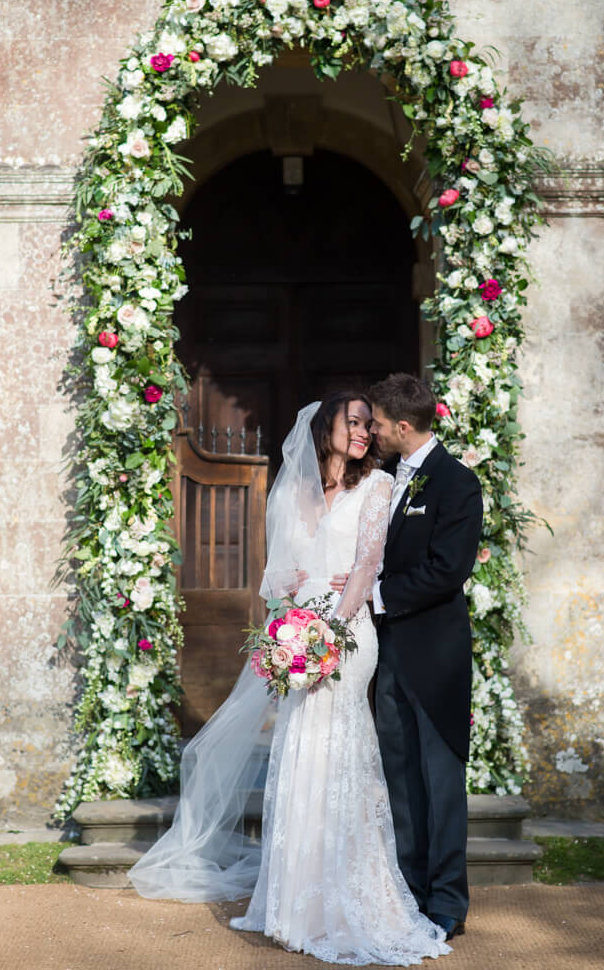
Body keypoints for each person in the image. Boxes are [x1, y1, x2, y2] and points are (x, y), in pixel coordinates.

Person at [129, 391, 450, 966]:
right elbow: (274, 578)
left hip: (348, 637)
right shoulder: (297, 493)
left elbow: (367, 565)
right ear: (325, 427)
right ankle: (294, 905)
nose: (363, 433)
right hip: (297, 632)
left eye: (366, 425)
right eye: (352, 422)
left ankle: (350, 899)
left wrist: (332, 630)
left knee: (339, 750)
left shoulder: (377, 488)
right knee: (299, 751)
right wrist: (288, 604)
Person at [367, 373, 483, 941]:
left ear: (403, 426)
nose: (374, 432)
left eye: (380, 424)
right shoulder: (386, 479)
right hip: (387, 658)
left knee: (440, 783)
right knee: (400, 779)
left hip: (435, 657)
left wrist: (378, 598)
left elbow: (448, 570)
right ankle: (408, 894)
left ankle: (446, 902)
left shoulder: (457, 483)